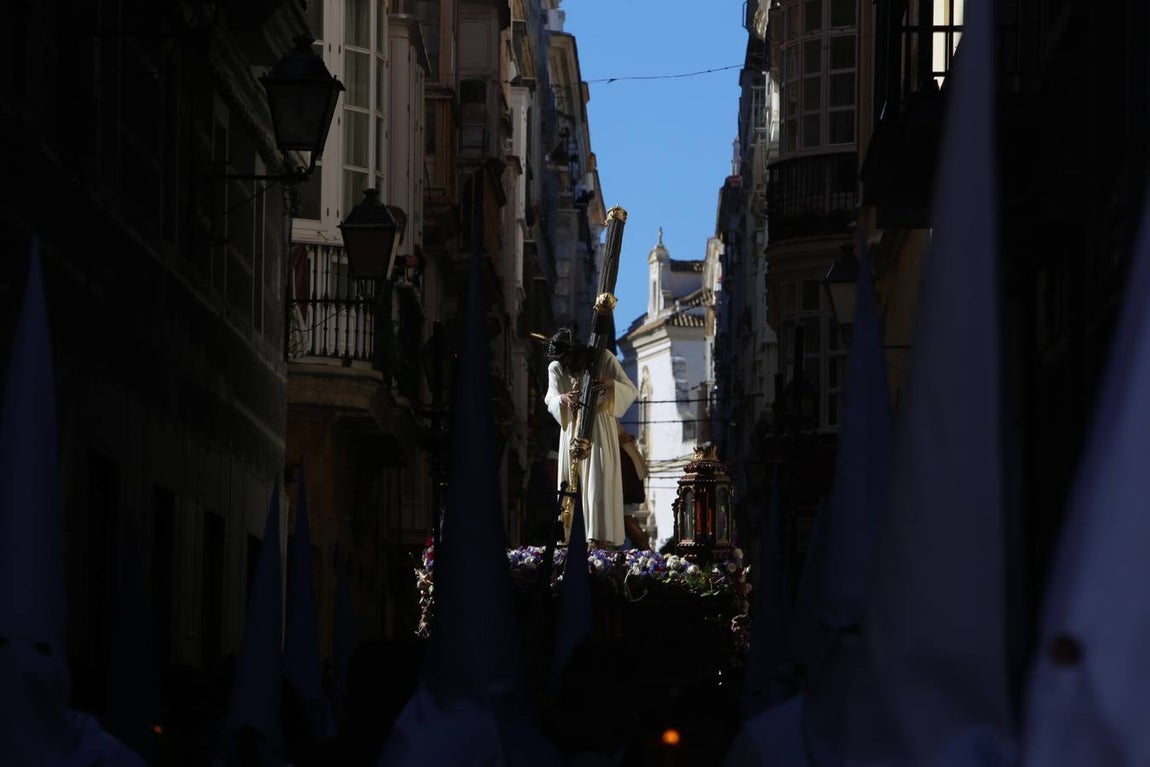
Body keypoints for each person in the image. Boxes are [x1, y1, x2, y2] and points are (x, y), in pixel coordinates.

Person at [544, 328, 638, 548]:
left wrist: (609, 384)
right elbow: (551, 398)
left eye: (568, 357)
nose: (566, 364)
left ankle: (596, 537)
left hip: (600, 429)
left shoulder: (604, 358)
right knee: (572, 484)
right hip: (572, 431)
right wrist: (564, 399)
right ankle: (569, 536)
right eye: (561, 360)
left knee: (598, 481)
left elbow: (630, 389)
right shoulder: (556, 367)